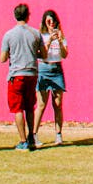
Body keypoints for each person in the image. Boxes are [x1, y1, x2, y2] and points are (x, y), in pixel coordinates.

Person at [0, 3, 46, 150]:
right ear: (28, 15)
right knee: (29, 107)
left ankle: (22, 140)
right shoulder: (35, 33)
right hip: (32, 73)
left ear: (15, 16)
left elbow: (2, 58)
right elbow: (43, 55)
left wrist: (11, 54)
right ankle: (32, 136)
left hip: (16, 74)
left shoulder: (9, 35)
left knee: (17, 109)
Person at [33, 9, 68, 145]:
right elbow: (40, 54)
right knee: (41, 104)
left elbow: (65, 55)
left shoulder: (61, 35)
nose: (51, 23)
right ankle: (34, 134)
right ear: (44, 22)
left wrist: (59, 41)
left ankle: (58, 134)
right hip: (43, 68)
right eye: (48, 21)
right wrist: (48, 42)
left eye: (53, 21)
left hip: (56, 69)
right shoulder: (40, 35)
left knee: (58, 104)